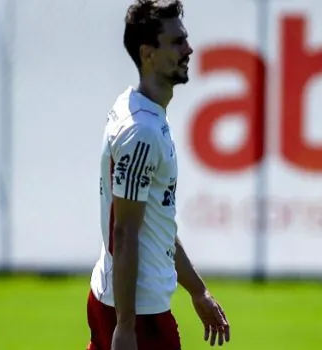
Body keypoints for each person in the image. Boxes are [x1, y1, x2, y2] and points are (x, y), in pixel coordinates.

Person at [86, 1, 230, 349]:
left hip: (123, 303)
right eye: (177, 42)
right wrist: (126, 327)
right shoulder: (143, 131)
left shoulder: (136, 110)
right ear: (148, 53)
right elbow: (125, 230)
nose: (189, 49)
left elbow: (152, 223)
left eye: (186, 39)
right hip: (140, 314)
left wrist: (198, 290)